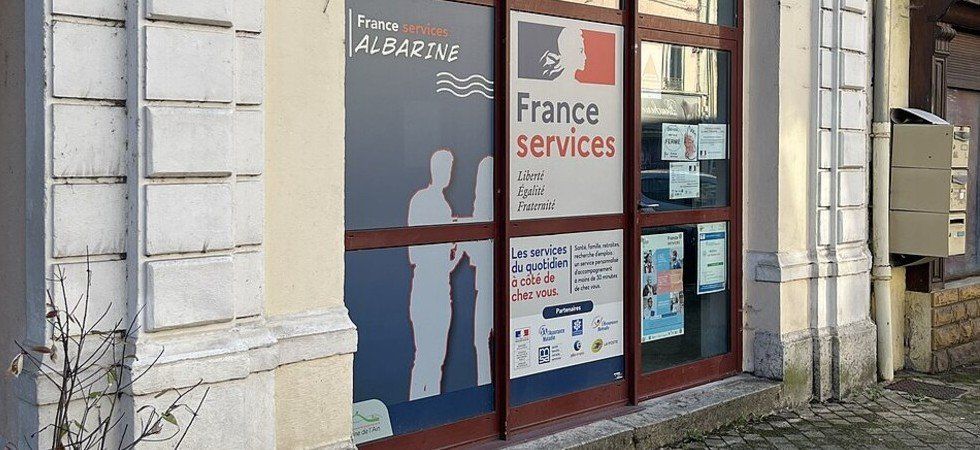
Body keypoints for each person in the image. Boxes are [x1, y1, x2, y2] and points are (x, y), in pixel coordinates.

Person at [407, 150, 460, 400]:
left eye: (449, 169)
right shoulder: (428, 201)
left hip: (436, 289)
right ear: (433, 169)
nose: (447, 174)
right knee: (428, 360)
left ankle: (426, 406)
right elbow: (418, 255)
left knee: (433, 361)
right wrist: (455, 247)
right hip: (430, 289)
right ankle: (419, 408)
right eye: (444, 168)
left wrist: (453, 247)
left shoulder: (437, 203)